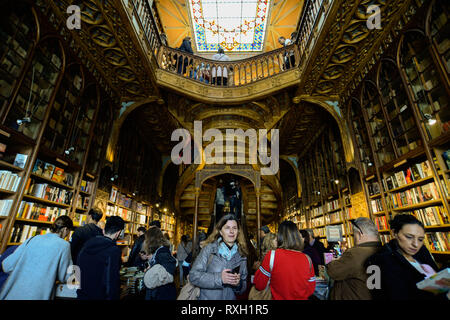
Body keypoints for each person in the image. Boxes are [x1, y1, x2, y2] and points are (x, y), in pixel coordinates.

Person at [366, 214, 449, 300]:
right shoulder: (380, 261)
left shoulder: (422, 251)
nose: (416, 244)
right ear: (394, 233)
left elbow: (438, 279)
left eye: (420, 239)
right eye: (409, 237)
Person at [0, 216, 74, 300]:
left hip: (11, 295)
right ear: (65, 229)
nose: (67, 235)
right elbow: (66, 277)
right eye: (68, 232)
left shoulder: (33, 239)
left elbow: (7, 266)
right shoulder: (64, 245)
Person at [189, 214, 248, 300]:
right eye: (227, 228)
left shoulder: (241, 254)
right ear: (220, 232)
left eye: (234, 228)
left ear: (238, 232)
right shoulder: (209, 249)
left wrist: (238, 284)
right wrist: (220, 278)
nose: (231, 231)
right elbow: (194, 276)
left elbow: (243, 286)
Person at [253, 221, 316, 300]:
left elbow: (259, 284)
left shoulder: (272, 256)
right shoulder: (307, 259)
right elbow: (311, 289)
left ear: (279, 236)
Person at [326, 218, 382, 300]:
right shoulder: (383, 250)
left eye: (353, 235)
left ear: (359, 234)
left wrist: (336, 260)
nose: (353, 238)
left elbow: (332, 271)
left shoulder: (354, 253)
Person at [76, 216, 125, 300]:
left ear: (103, 230)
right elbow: (111, 281)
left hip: (82, 295)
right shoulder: (113, 251)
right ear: (118, 233)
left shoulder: (86, 245)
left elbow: (77, 269)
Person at [142, 227, 177, 300]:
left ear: (151, 239)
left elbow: (169, 272)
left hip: (162, 293)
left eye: (146, 239)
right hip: (160, 292)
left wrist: (151, 270)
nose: (145, 241)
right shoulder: (159, 250)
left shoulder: (162, 252)